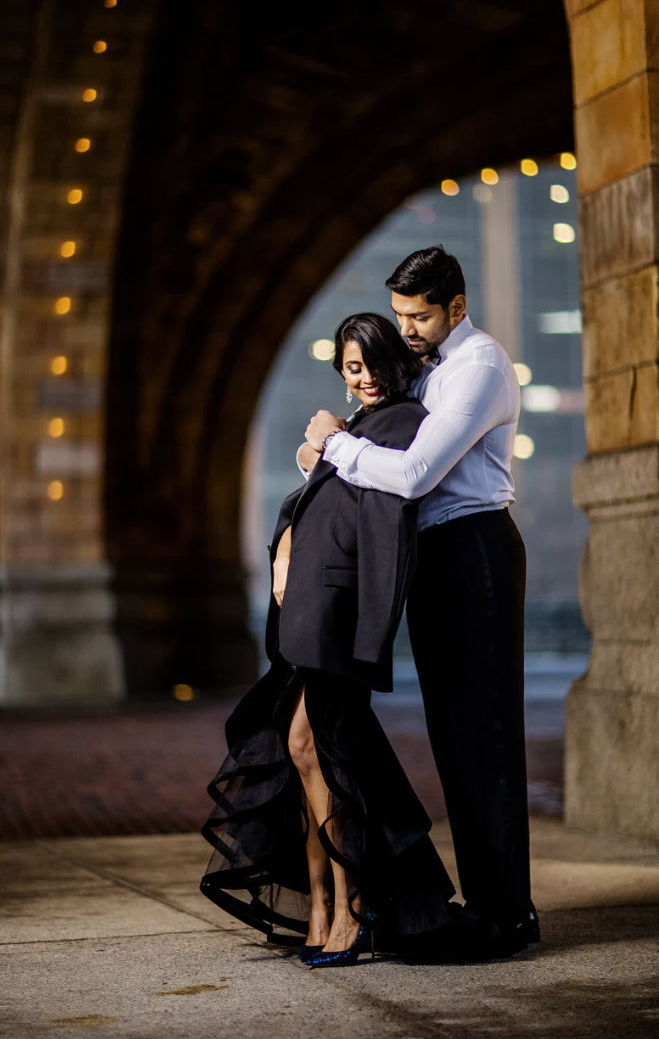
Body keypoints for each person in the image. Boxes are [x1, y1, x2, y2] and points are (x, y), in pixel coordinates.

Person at [304, 246, 539, 962]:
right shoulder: (422, 370)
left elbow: (409, 473)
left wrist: (334, 447)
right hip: (432, 559)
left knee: (486, 734)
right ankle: (486, 903)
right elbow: (367, 436)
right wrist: (329, 445)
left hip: (475, 550)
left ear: (455, 308)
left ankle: (506, 914)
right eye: (400, 313)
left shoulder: (478, 368)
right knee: (452, 734)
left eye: (419, 315)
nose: (405, 327)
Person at [200, 313, 456, 968]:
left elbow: (385, 510)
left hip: (338, 609)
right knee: (306, 755)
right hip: (308, 610)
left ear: (395, 365)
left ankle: (348, 905)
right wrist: (286, 540)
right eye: (351, 366)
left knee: (317, 750)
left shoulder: (398, 426)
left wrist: (327, 446)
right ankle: (322, 903)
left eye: (371, 362)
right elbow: (306, 502)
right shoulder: (354, 433)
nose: (363, 375)